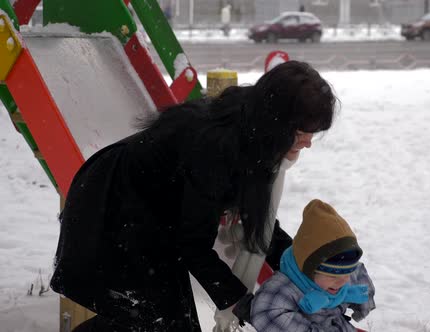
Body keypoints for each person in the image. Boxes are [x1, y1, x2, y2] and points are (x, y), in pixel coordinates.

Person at [49, 60, 337, 332]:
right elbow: (194, 246)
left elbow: (258, 223)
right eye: (302, 132)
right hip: (111, 214)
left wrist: (311, 268)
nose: (308, 143)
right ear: (278, 123)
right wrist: (244, 304)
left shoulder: (255, 133)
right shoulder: (217, 149)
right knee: (156, 319)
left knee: (155, 320)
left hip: (153, 219)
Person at [249, 199, 376, 332]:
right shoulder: (285, 291)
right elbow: (266, 312)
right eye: (333, 276)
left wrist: (364, 304)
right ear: (310, 270)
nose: (343, 280)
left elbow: (359, 274)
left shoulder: (341, 277)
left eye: (348, 272)